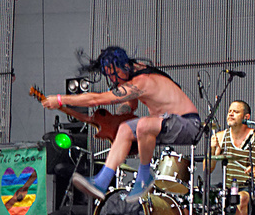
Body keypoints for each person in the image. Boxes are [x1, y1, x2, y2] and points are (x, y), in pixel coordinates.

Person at [40, 46, 201, 200]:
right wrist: (116, 118)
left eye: (114, 74)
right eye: (109, 75)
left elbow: (97, 99)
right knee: (125, 128)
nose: (113, 79)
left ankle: (145, 176)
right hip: (166, 124)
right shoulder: (134, 70)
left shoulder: (142, 81)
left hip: (188, 123)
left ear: (124, 66)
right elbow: (131, 105)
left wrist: (61, 99)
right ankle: (101, 182)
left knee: (143, 125)